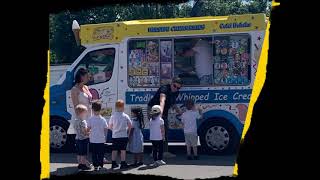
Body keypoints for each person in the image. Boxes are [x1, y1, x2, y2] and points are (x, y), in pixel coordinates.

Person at [147, 77, 183, 158]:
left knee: (165, 132)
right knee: (156, 132)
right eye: (175, 86)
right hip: (154, 110)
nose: (176, 89)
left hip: (164, 113)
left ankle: (164, 152)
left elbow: (173, 103)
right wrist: (160, 114)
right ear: (171, 83)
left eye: (178, 88)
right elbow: (162, 101)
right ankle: (155, 152)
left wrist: (179, 112)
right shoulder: (164, 89)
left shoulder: (176, 92)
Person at [109, 100, 132, 169]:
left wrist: (114, 130)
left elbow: (109, 126)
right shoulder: (125, 116)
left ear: (115, 107)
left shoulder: (113, 116)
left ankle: (113, 163)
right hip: (123, 136)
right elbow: (130, 125)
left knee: (114, 150)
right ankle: (123, 163)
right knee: (123, 150)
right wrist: (128, 132)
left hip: (115, 136)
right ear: (123, 107)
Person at [87, 101, 108, 171]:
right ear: (100, 109)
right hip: (101, 140)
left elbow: (88, 128)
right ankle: (101, 165)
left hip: (93, 140)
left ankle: (95, 166)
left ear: (92, 110)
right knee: (101, 154)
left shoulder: (90, 119)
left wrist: (88, 133)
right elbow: (106, 129)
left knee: (94, 154)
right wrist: (105, 137)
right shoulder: (103, 119)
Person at [73, 104, 91, 171]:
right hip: (83, 139)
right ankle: (83, 165)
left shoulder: (75, 120)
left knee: (79, 153)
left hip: (77, 139)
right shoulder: (83, 122)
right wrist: (89, 132)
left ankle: (79, 164)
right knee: (83, 153)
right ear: (81, 113)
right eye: (85, 112)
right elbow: (84, 132)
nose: (86, 114)